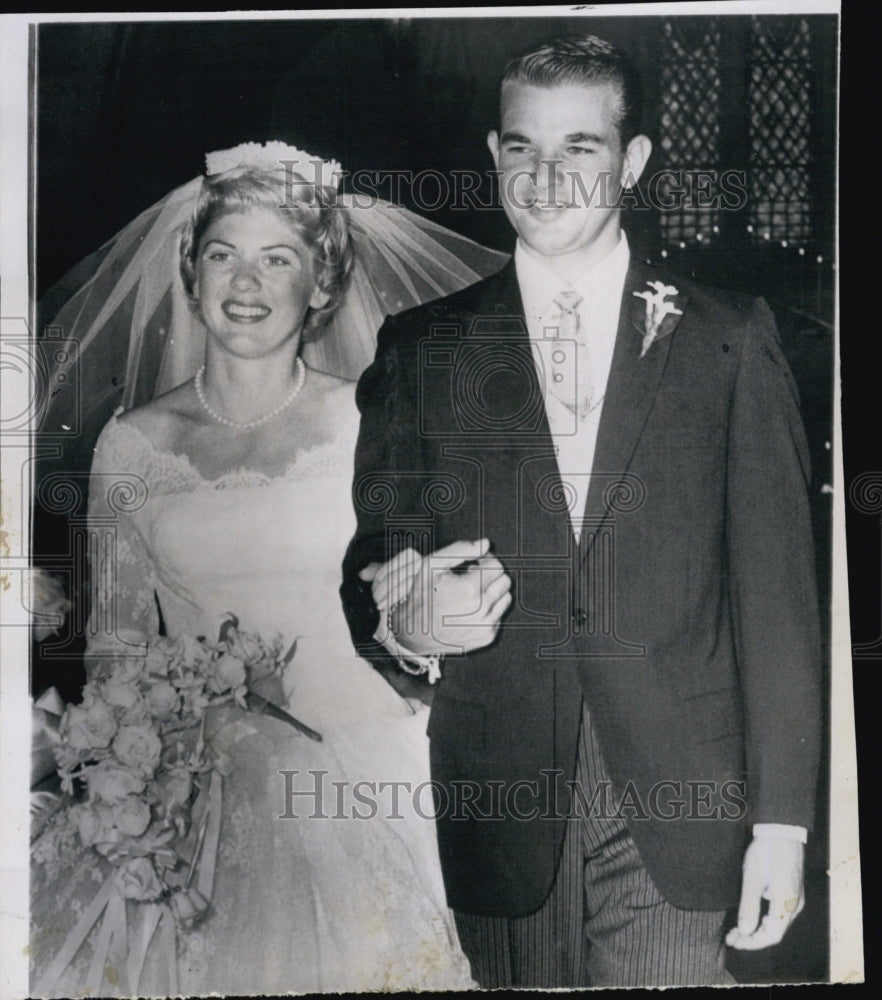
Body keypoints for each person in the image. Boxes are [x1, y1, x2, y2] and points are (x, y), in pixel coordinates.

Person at [341, 35, 822, 988]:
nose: (547, 176)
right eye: (523, 148)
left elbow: (778, 604)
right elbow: (377, 561)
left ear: (633, 161)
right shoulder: (421, 348)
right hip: (501, 800)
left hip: (682, 797)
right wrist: (409, 619)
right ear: (492, 154)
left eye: (581, 149)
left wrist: (782, 822)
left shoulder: (727, 339)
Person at [29, 143, 508, 996]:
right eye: (224, 255)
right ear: (190, 269)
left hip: (377, 777)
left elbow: (420, 601)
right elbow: (115, 650)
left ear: (321, 284)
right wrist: (149, 748)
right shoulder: (132, 444)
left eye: (277, 259)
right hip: (199, 793)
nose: (246, 284)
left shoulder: (371, 418)